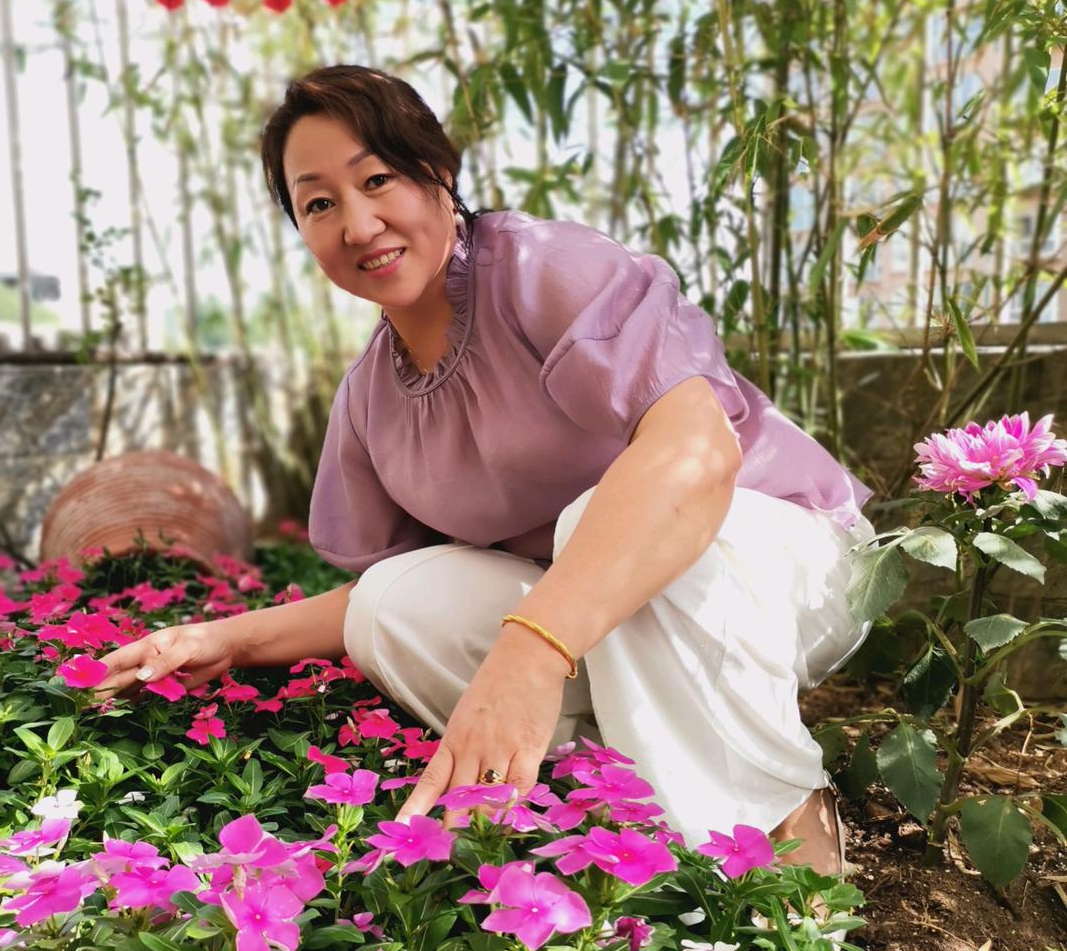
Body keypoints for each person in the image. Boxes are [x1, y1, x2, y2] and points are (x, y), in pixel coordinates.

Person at [99, 64, 874, 877]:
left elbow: (698, 455)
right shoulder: (369, 402)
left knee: (596, 521)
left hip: (781, 560)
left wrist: (533, 653)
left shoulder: (546, 268)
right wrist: (220, 639)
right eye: (319, 204)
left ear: (438, 170)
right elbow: (395, 595)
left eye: (377, 180)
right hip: (609, 623)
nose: (358, 224)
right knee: (394, 603)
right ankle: (621, 794)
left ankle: (783, 828)